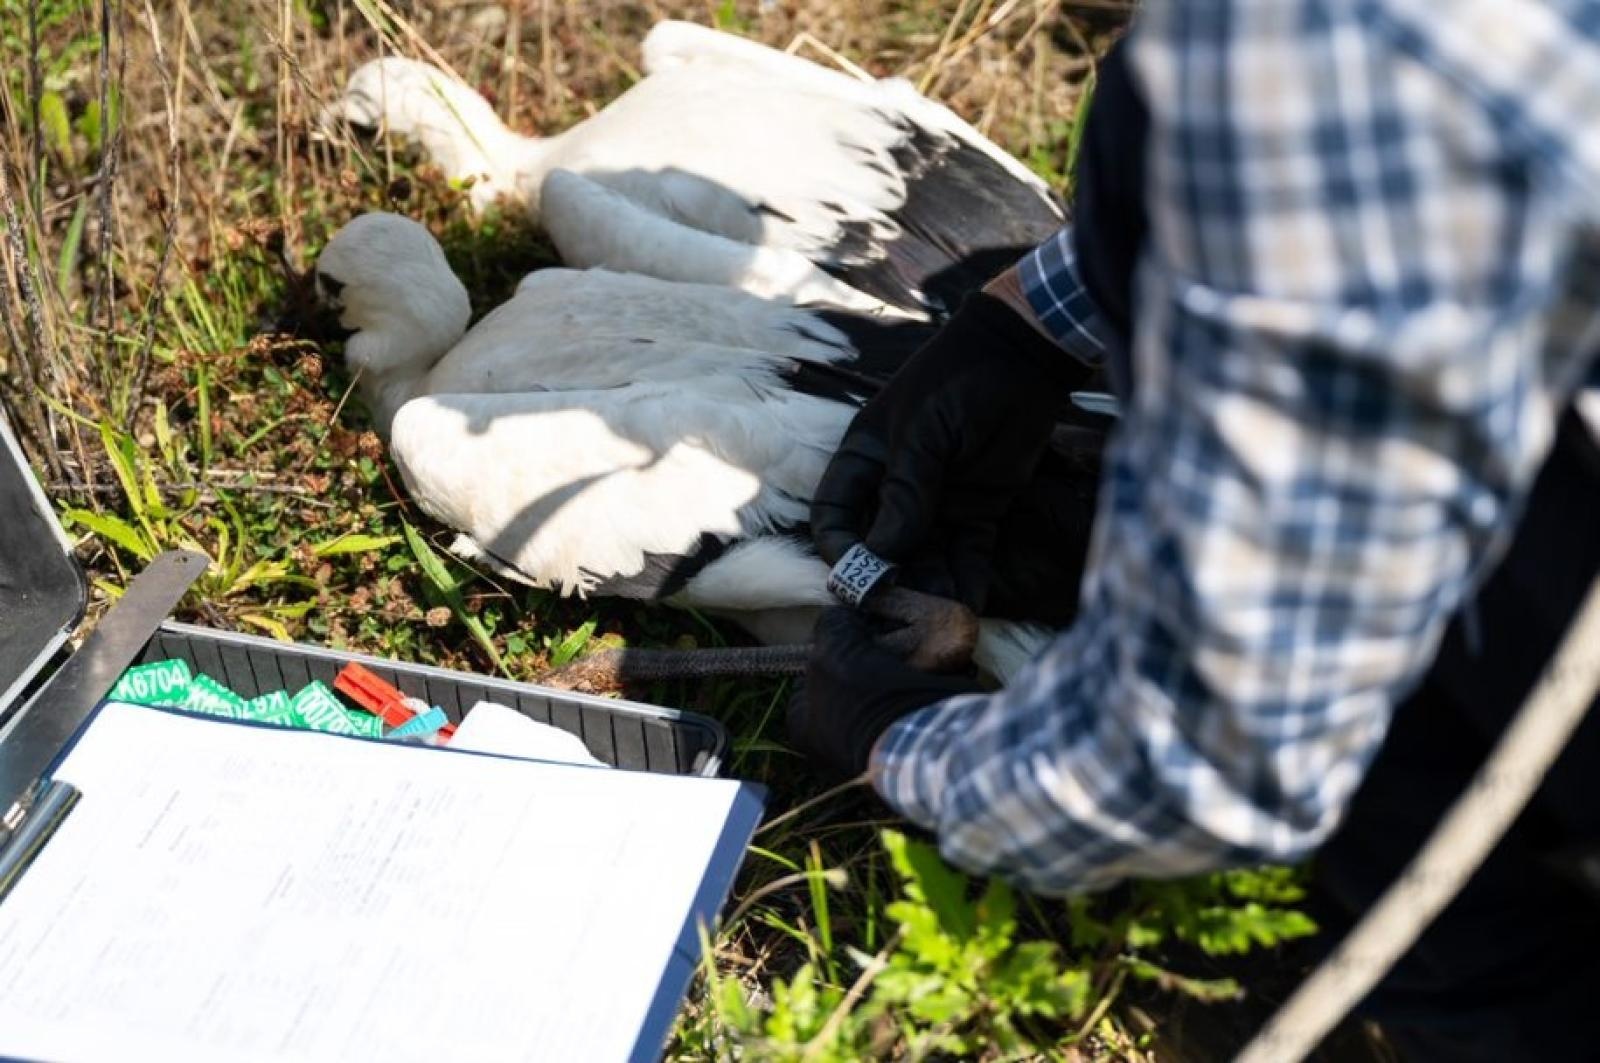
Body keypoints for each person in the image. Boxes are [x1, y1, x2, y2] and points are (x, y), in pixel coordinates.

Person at [786, 5, 1600, 1058]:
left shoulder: (1301, 53)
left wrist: (893, 737)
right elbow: (1399, 162)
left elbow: (1205, 762)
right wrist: (1027, 322)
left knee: (1409, 784)